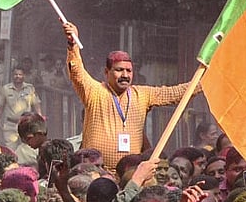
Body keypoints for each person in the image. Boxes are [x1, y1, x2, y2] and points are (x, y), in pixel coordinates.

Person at [61, 22, 202, 171]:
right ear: (106, 72)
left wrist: (203, 82)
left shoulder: (142, 94)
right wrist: (73, 44)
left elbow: (175, 93)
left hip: (132, 174)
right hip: (96, 173)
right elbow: (77, 73)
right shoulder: (95, 91)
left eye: (129, 71)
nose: (125, 75)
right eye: (119, 70)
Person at [0, 66, 42, 148]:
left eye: (20, 74)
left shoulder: (30, 88)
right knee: (11, 151)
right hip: (10, 126)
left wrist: (40, 120)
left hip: (26, 125)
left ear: (24, 76)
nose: (18, 76)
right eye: (16, 74)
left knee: (26, 150)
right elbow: (0, 108)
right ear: (12, 75)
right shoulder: (6, 89)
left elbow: (36, 104)